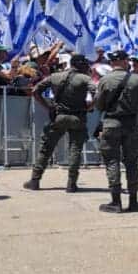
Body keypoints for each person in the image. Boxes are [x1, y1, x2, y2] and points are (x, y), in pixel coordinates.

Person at [23, 54, 95, 192]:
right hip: (77, 117)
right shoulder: (85, 78)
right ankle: (71, 183)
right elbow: (97, 94)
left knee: (46, 148)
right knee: (75, 150)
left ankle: (35, 180)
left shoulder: (55, 76)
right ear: (81, 65)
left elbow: (35, 91)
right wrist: (89, 107)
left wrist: (48, 106)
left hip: (58, 117)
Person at [95, 49, 138, 213]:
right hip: (130, 125)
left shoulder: (105, 80)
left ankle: (116, 201)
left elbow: (99, 105)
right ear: (125, 61)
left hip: (111, 124)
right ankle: (133, 201)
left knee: (112, 161)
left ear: (112, 62)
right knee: (131, 162)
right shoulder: (136, 80)